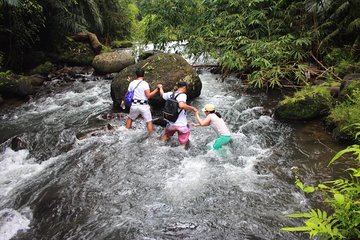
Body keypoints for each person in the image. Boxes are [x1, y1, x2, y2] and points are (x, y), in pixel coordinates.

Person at [158, 81, 197, 146]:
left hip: (171, 124)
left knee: (165, 135)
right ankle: (183, 152)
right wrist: (192, 108)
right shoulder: (182, 95)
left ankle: (160, 147)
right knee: (183, 141)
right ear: (184, 87)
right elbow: (181, 105)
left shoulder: (170, 94)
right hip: (181, 125)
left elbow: (162, 95)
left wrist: (160, 87)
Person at [125, 68, 159, 134]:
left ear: (136, 75)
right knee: (149, 121)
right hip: (143, 106)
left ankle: (125, 132)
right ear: (143, 75)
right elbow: (148, 95)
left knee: (130, 118)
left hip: (134, 104)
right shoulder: (145, 84)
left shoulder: (132, 83)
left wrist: (123, 101)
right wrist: (157, 90)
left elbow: (127, 94)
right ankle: (151, 136)